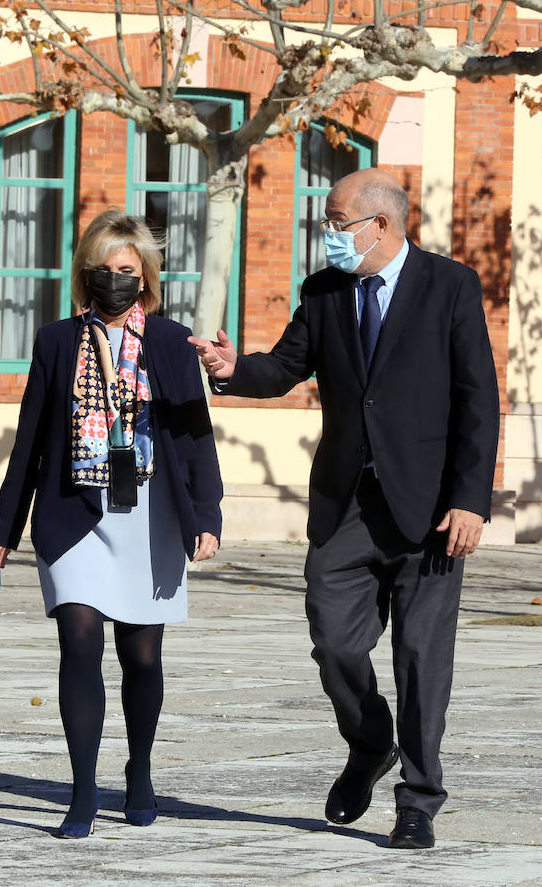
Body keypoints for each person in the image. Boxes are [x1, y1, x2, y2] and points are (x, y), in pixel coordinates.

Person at [189, 168, 499, 850]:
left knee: (422, 661)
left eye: (335, 222)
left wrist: (471, 500)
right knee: (333, 643)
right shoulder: (327, 292)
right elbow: (286, 366)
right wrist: (232, 368)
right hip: (347, 505)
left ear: (379, 225)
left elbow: (479, 399)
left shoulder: (450, 287)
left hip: (431, 510)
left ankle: (418, 800)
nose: (327, 234)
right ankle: (369, 743)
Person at [0, 210, 222, 839]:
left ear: (145, 276)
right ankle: (83, 789)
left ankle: (139, 770)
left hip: (150, 513)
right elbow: (30, 439)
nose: (115, 279)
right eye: (103, 269)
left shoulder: (171, 342)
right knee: (79, 642)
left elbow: (195, 438)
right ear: (85, 274)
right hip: (74, 512)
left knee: (141, 655)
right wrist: (4, 526)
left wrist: (207, 516)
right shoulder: (57, 340)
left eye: (127, 270)